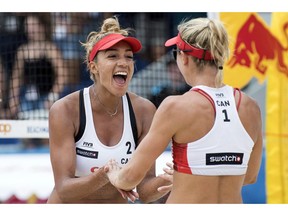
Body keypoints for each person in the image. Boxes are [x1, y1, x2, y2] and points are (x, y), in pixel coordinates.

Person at [106, 17, 263, 204]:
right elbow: (250, 175)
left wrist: (114, 174)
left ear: (184, 57)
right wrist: (197, 174)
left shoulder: (176, 106)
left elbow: (129, 178)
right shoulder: (250, 107)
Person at [47, 16, 172, 204]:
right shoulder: (66, 109)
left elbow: (144, 192)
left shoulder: (144, 110)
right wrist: (105, 175)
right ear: (93, 66)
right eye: (112, 56)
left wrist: (171, 178)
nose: (123, 62)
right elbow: (64, 189)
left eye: (128, 56)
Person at [8, 13, 67, 119]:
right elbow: (16, 78)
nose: (30, 29)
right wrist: (13, 99)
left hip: (47, 101)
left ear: (42, 26)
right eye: (27, 26)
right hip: (27, 99)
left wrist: (52, 96)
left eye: (33, 25)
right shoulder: (22, 51)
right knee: (24, 131)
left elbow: (62, 75)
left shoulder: (51, 49)